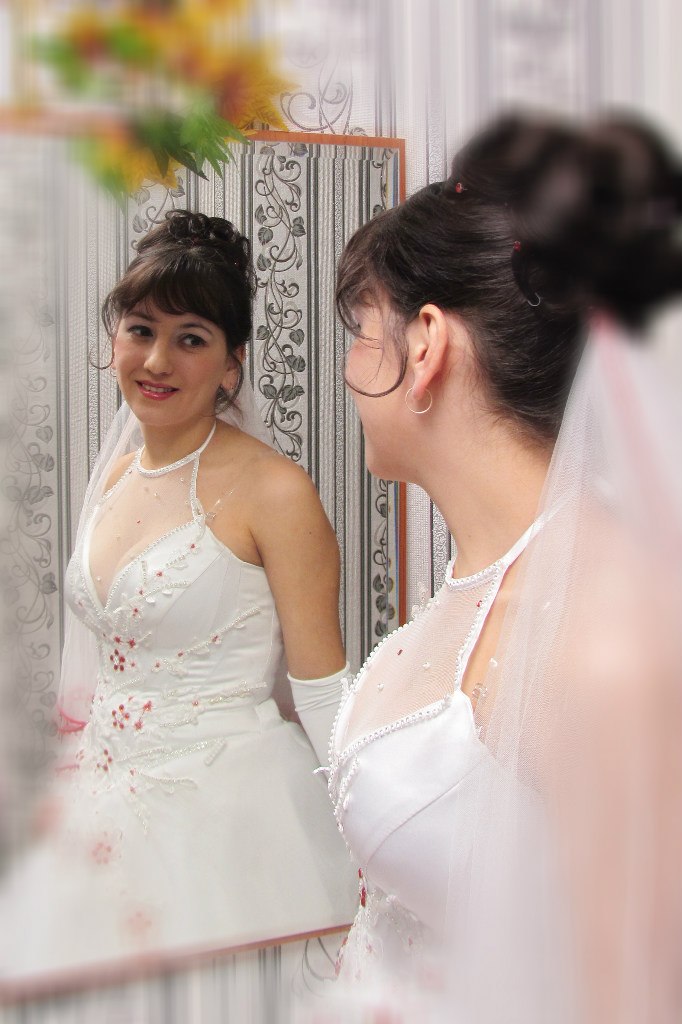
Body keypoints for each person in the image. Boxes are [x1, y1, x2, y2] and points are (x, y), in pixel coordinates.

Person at [322, 113, 682, 1022]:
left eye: (360, 330)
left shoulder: (599, 637)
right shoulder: (484, 577)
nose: (348, 368)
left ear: (425, 344)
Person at [0, 210, 357, 982]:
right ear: (115, 341)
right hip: (98, 802)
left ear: (232, 364)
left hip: (228, 817)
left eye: (191, 338)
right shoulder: (118, 475)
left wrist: (376, 842)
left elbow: (322, 689)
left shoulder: (277, 493)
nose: (157, 361)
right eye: (140, 330)